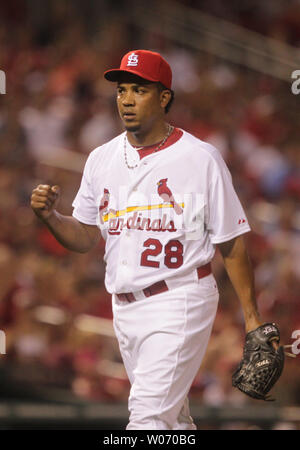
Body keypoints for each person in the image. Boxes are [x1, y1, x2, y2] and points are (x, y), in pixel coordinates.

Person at [31, 50, 262, 430]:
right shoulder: (101, 159)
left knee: (147, 418)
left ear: (164, 97)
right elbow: (87, 235)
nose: (126, 99)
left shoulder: (200, 158)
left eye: (139, 90)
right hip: (124, 307)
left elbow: (231, 239)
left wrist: (252, 319)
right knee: (172, 423)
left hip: (180, 298)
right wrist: (51, 218)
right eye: (122, 90)